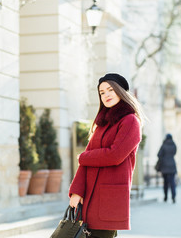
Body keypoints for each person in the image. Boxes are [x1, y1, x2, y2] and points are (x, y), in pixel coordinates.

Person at [69, 73, 146, 238]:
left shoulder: (130, 121)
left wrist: (84, 157)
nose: (106, 95)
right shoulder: (101, 124)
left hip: (109, 201)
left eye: (110, 89)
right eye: (102, 92)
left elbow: (115, 155)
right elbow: (86, 162)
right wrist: (76, 191)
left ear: (121, 92)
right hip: (89, 198)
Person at [157, 134, 177, 203]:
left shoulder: (164, 145)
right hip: (172, 165)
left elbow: (159, 154)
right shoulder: (174, 145)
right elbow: (174, 153)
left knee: (165, 182)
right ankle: (173, 197)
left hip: (164, 166)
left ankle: (165, 197)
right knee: (172, 182)